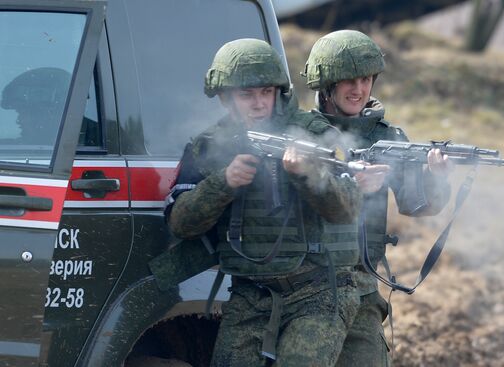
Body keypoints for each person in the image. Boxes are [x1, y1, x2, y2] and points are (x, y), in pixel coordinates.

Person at [165, 38, 364, 367]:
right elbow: (181, 224)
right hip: (250, 293)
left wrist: (307, 175)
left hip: (317, 291)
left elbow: (346, 210)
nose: (258, 104)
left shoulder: (312, 133)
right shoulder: (211, 145)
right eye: (247, 94)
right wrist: (223, 183)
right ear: (226, 99)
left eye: (266, 93)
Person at [302, 30, 454, 366]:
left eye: (366, 79)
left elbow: (418, 205)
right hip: (304, 285)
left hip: (360, 284)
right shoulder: (302, 132)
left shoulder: (387, 138)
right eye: (348, 81)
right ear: (325, 83)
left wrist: (435, 178)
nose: (358, 89)